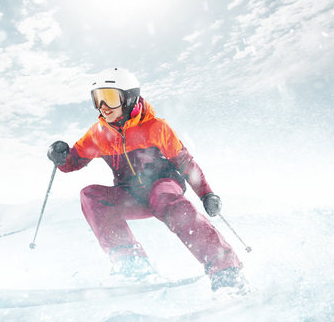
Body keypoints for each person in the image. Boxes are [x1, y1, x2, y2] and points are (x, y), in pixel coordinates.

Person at [47, 68, 245, 292]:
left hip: (163, 185)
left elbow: (185, 163)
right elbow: (73, 162)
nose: (103, 107)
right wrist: (61, 156)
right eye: (98, 99)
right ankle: (132, 264)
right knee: (90, 194)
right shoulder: (99, 133)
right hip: (130, 194)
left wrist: (206, 193)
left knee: (163, 196)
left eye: (110, 98)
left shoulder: (155, 127)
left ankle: (226, 271)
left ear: (129, 98)